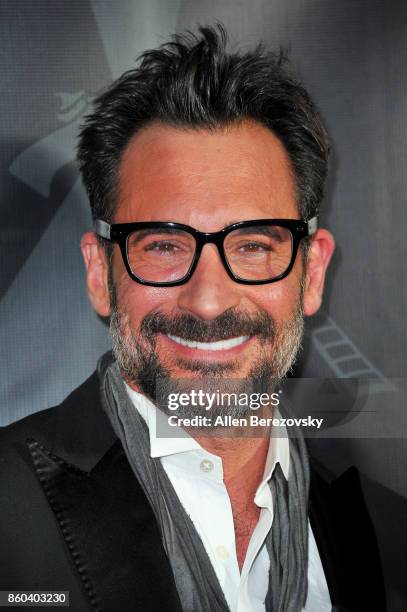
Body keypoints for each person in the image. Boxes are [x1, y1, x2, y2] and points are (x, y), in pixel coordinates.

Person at [0, 25, 386, 612]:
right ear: (101, 274)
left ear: (310, 275)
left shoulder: (366, 520)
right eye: (162, 246)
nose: (208, 301)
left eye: (255, 245)